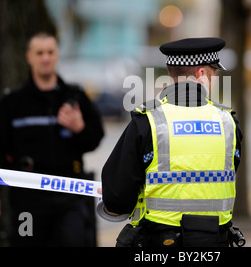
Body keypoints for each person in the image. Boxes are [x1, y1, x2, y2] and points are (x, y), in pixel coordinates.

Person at [99, 37, 243, 247]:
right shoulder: (229, 123)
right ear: (202, 74)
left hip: (159, 244)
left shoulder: (147, 121)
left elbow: (117, 199)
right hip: (215, 243)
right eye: (214, 74)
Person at [0, 32, 105, 246]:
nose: (45, 58)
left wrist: (79, 128)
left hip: (69, 195)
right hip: (27, 198)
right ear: (30, 57)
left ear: (57, 55)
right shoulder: (13, 102)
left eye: (50, 52)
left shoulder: (74, 97)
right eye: (39, 53)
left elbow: (95, 140)